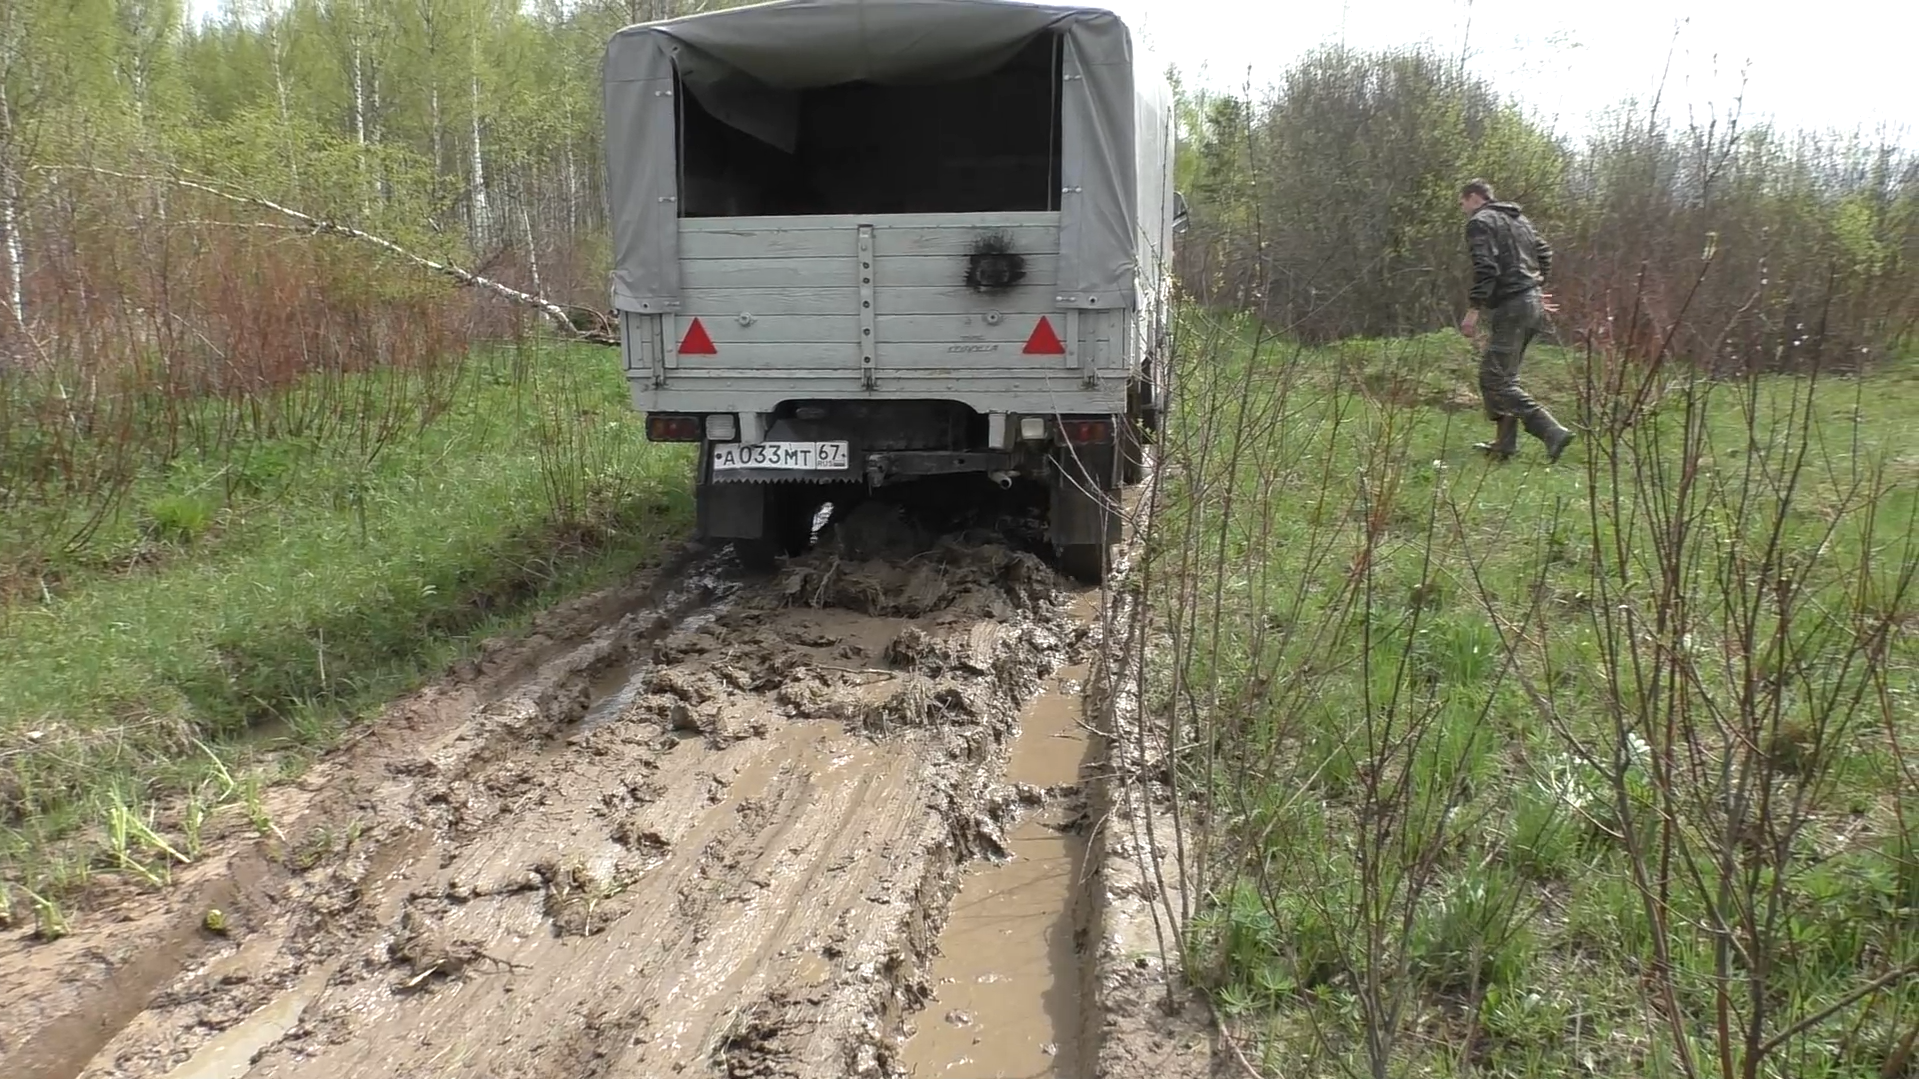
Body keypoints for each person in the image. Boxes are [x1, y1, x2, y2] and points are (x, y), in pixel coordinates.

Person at [1457, 179, 1574, 462]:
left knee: (1494, 378)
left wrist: (1474, 309)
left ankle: (1551, 430)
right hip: (1531, 303)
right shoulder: (1519, 219)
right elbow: (1544, 252)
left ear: (1473, 197)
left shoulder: (1480, 222)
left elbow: (1486, 267)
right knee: (1505, 376)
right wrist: (1534, 286)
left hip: (1512, 304)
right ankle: (1504, 444)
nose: (1461, 208)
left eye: (1461, 201)